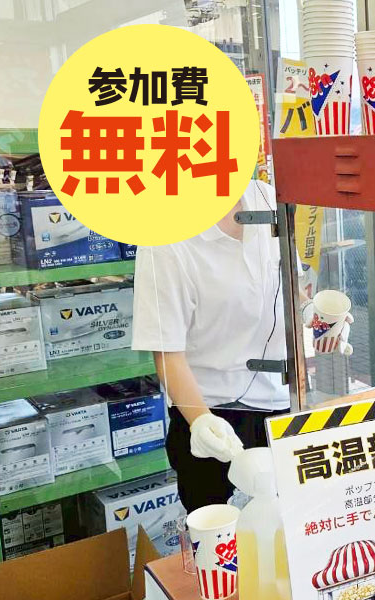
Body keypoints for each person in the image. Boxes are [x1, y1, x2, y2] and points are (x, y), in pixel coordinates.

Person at [132, 179, 291, 512]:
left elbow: (290, 290)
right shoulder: (164, 233)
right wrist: (201, 421)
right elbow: (167, 352)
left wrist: (316, 318)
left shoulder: (267, 197)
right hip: (213, 419)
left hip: (284, 408)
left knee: (288, 529)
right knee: (222, 536)